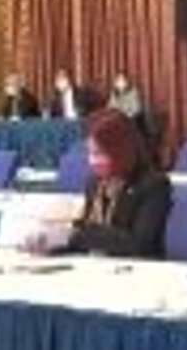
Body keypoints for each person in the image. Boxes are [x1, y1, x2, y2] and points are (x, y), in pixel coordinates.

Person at [62, 108, 171, 258]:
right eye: (90, 153)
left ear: (121, 150)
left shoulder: (153, 185)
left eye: (99, 154)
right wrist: (52, 243)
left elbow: (139, 245)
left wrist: (82, 234)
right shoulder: (95, 184)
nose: (92, 161)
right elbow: (81, 236)